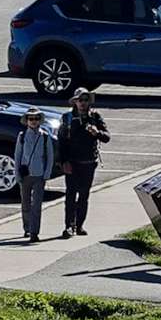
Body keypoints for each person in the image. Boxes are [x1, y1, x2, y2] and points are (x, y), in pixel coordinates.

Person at [56, 90, 110, 237]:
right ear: (75, 102)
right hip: (72, 162)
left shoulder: (95, 117)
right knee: (70, 196)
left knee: (84, 196)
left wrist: (96, 132)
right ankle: (69, 226)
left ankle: (79, 226)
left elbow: (107, 137)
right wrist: (63, 162)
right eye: (80, 100)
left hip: (88, 162)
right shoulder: (67, 118)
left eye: (85, 100)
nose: (83, 102)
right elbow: (61, 142)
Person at [12, 109, 57, 242]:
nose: (33, 121)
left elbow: (50, 156)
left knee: (36, 205)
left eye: (36, 118)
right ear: (26, 121)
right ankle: (27, 227)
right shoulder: (22, 136)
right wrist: (17, 174)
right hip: (25, 175)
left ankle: (34, 232)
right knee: (25, 203)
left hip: (39, 175)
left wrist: (47, 173)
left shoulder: (44, 136)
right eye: (30, 119)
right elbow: (17, 155)